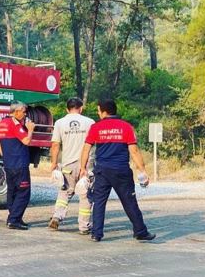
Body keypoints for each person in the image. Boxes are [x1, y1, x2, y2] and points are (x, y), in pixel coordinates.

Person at [79, 99, 156, 242]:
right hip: (121, 171)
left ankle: (96, 234)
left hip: (102, 170)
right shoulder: (126, 127)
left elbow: (86, 148)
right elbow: (134, 151)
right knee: (129, 202)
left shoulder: (96, 127)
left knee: (99, 202)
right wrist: (142, 170)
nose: (98, 113)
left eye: (98, 110)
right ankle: (140, 231)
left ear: (104, 112)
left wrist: (83, 168)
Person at [48, 97, 96, 234]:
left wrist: (53, 163)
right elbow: (93, 143)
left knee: (64, 192)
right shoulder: (90, 122)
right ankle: (84, 226)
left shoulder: (60, 123)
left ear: (66, 109)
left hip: (68, 164)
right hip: (85, 165)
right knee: (85, 195)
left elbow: (55, 144)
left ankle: (57, 216)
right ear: (81, 108)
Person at [0, 101, 36, 230]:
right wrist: (30, 130)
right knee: (24, 192)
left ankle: (14, 217)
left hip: (9, 164)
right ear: (17, 111)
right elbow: (26, 141)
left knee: (12, 191)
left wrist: (7, 157)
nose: (25, 115)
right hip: (19, 164)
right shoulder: (14, 124)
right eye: (24, 112)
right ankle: (14, 220)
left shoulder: (1, 124)